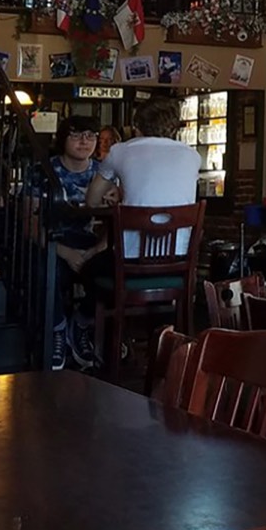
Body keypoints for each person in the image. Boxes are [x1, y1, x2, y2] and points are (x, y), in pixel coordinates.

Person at [83, 98, 201, 363]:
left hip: (129, 263)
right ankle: (166, 350)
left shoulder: (120, 152)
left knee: (90, 268)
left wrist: (119, 194)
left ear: (137, 125)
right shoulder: (192, 155)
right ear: (174, 126)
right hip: (178, 265)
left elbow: (91, 200)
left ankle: (104, 339)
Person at [29, 116, 105, 371]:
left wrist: (95, 249)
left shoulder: (104, 173)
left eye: (90, 135)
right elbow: (28, 220)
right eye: (76, 135)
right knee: (44, 270)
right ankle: (57, 329)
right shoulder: (43, 171)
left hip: (92, 243)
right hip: (53, 241)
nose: (84, 141)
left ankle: (81, 323)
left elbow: (118, 218)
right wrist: (65, 252)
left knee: (114, 269)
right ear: (62, 139)